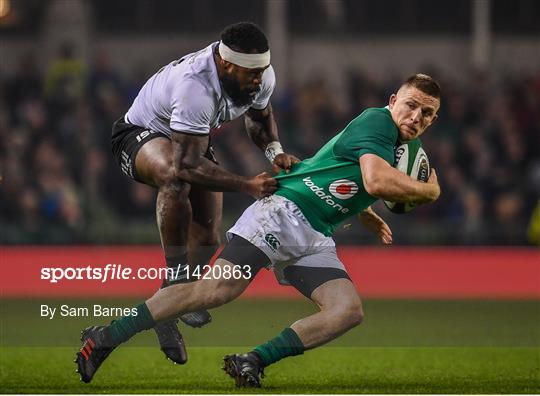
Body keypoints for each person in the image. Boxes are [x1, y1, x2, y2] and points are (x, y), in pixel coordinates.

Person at [76, 74, 441, 386]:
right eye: (411, 105)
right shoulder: (379, 122)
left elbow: (343, 171)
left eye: (427, 113)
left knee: (347, 310)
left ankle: (251, 360)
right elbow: (375, 180)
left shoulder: (405, 146)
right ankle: (106, 336)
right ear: (393, 100)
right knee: (215, 290)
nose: (416, 116)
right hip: (282, 214)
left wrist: (365, 213)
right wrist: (430, 191)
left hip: (313, 235)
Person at [109, 22, 299, 364]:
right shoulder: (194, 86)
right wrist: (247, 184)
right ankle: (178, 277)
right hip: (140, 134)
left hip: (188, 142)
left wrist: (274, 152)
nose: (258, 81)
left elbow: (260, 117)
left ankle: (167, 307)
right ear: (226, 64)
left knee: (210, 236)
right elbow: (185, 167)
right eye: (250, 73)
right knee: (175, 177)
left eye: (262, 72)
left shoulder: (260, 74)